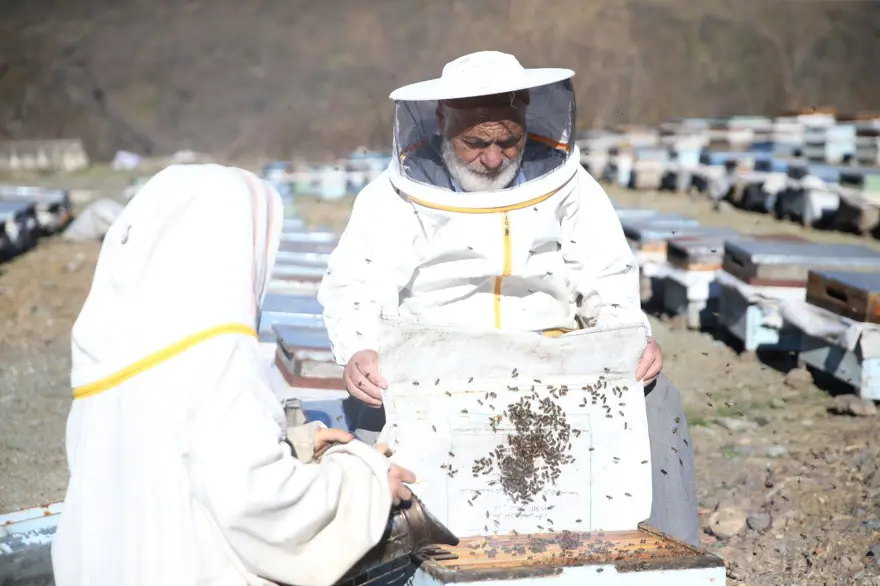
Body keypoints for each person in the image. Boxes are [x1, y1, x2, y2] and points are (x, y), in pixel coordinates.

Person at [318, 51, 699, 546]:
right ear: (441, 122)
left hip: (555, 356)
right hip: (437, 362)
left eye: (508, 141)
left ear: (526, 120)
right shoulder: (391, 198)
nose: (494, 158)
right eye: (476, 142)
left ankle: (668, 557)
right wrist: (359, 349)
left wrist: (630, 334)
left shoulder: (570, 186)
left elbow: (607, 273)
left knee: (658, 398)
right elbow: (356, 283)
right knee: (363, 437)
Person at [51, 164, 415, 586]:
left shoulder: (119, 356)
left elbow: (165, 459)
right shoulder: (215, 359)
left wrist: (289, 445)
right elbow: (262, 506)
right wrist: (365, 485)